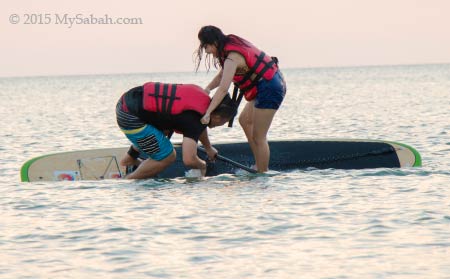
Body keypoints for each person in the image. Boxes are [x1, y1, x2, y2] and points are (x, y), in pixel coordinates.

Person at [194, 25, 286, 173]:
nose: (207, 51)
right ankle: (259, 164)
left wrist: (208, 113)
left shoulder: (232, 57)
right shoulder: (228, 49)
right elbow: (221, 76)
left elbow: (224, 88)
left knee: (259, 136)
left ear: (214, 42)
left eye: (207, 46)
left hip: (270, 87)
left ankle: (263, 173)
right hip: (265, 85)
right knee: (244, 120)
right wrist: (207, 89)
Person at [116, 81, 237, 179]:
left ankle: (129, 159)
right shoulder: (194, 121)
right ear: (217, 116)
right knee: (168, 156)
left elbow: (200, 127)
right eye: (224, 122)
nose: (221, 125)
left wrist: (208, 148)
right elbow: (189, 159)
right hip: (130, 117)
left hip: (126, 102)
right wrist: (202, 165)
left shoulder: (202, 101)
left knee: (164, 131)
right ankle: (129, 180)